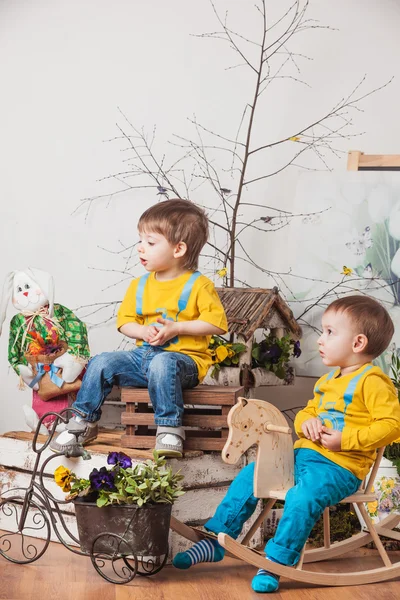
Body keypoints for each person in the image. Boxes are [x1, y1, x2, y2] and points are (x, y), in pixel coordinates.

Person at [173, 295, 400, 592]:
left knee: (302, 497)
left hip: (340, 469)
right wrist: (305, 421)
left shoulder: (373, 381)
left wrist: (346, 439)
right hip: (302, 457)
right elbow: (309, 411)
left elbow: (392, 425)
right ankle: (215, 539)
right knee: (251, 474)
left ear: (357, 343)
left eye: (330, 332)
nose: (320, 339)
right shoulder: (328, 381)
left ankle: (276, 562)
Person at [50, 199, 227, 457]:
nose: (140, 248)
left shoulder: (199, 286)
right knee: (102, 362)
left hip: (184, 363)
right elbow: (125, 322)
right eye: (140, 240)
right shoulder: (140, 285)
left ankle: (169, 428)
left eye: (150, 243)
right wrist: (142, 332)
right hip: (142, 358)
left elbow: (216, 324)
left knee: (163, 363)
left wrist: (177, 328)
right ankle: (81, 422)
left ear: (178, 249)